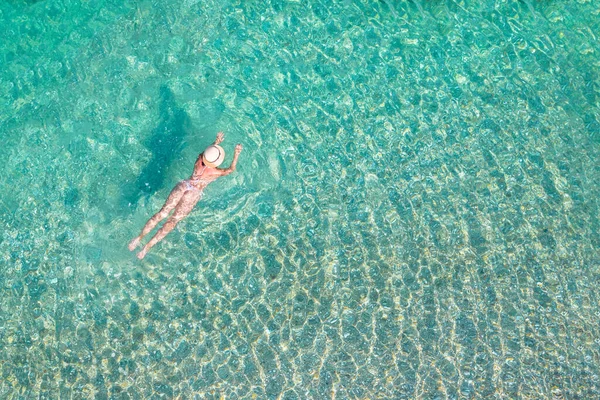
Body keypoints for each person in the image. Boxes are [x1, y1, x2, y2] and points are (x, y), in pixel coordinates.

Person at [129, 132, 242, 259]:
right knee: (173, 220)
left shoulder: (199, 159)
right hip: (193, 194)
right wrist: (236, 153)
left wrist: (215, 142)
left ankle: (138, 238)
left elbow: (206, 154)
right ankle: (146, 247)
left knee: (162, 213)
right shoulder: (215, 172)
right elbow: (231, 169)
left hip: (184, 185)